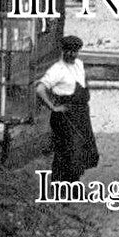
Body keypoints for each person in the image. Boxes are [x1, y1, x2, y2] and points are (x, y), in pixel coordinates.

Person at [35, 35, 99, 182]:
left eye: (75, 51)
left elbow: (83, 83)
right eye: (68, 51)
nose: (72, 54)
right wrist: (53, 107)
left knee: (80, 150)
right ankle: (59, 187)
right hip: (65, 117)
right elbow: (40, 89)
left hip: (81, 114)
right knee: (66, 151)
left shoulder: (79, 65)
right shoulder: (57, 69)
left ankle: (74, 185)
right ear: (63, 51)